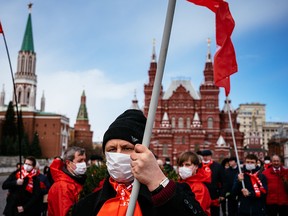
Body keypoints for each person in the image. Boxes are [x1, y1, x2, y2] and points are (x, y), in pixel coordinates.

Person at [72, 109, 206, 215]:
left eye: (127, 148)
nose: (118, 154)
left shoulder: (170, 195)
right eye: (112, 149)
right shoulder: (86, 206)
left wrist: (158, 182)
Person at [48, 146, 87, 216]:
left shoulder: (75, 181)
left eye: (84, 160)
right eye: (80, 161)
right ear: (68, 163)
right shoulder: (63, 186)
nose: (83, 164)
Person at [178, 151, 212, 216]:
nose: (183, 168)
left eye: (187, 165)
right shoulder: (180, 183)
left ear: (196, 167)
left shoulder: (199, 188)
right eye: (181, 165)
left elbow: (196, 211)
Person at [201, 149, 226, 216]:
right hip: (201, 193)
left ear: (210, 156)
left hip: (214, 194)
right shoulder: (199, 166)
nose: (205, 157)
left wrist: (222, 194)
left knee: (214, 212)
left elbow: (223, 181)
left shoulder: (217, 166)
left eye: (207, 156)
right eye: (203, 156)